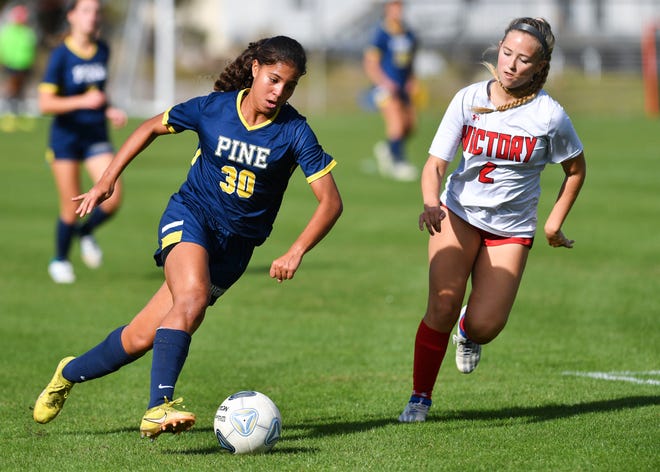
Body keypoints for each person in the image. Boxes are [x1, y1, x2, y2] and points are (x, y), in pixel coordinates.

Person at [33, 35, 343, 440]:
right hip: (191, 215)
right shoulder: (214, 109)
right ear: (254, 69)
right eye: (273, 79)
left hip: (235, 248)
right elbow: (150, 126)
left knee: (142, 336)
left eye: (290, 85)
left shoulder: (295, 131)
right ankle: (157, 407)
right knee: (192, 298)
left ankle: (67, 373)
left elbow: (331, 202)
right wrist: (106, 181)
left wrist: (296, 250)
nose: (278, 92)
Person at [398, 17, 586, 422]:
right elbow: (435, 164)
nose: (512, 65)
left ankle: (468, 332)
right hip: (459, 214)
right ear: (498, 48)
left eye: (523, 60)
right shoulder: (468, 99)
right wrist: (432, 202)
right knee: (442, 305)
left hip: (512, 229)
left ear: (540, 66)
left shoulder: (550, 116)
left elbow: (576, 170)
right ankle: (419, 398)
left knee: (486, 325)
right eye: (507, 54)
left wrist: (553, 223)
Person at [38, 0, 127, 284]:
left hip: (96, 136)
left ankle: (85, 232)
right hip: (66, 140)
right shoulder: (61, 56)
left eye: (96, 11)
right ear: (72, 16)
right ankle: (60, 260)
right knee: (71, 207)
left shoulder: (103, 50)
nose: (93, 17)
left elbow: (97, 93)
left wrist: (108, 109)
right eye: (86, 11)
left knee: (111, 197)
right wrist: (82, 101)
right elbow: (45, 103)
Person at [363, 0, 418, 182]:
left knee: (409, 126)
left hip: (403, 88)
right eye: (394, 6)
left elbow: (409, 62)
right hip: (384, 89)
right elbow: (370, 63)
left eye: (400, 6)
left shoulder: (408, 33)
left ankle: (387, 148)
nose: (397, 10)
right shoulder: (380, 33)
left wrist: (411, 79)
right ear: (387, 9)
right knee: (396, 123)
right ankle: (397, 163)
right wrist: (384, 82)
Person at [0, 4, 37, 131]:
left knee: (21, 91)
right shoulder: (8, 31)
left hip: (24, 65)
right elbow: (3, 47)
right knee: (11, 90)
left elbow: (31, 49)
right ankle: (8, 115)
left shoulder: (28, 32)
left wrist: (30, 62)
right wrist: (5, 61)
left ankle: (20, 115)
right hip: (11, 65)